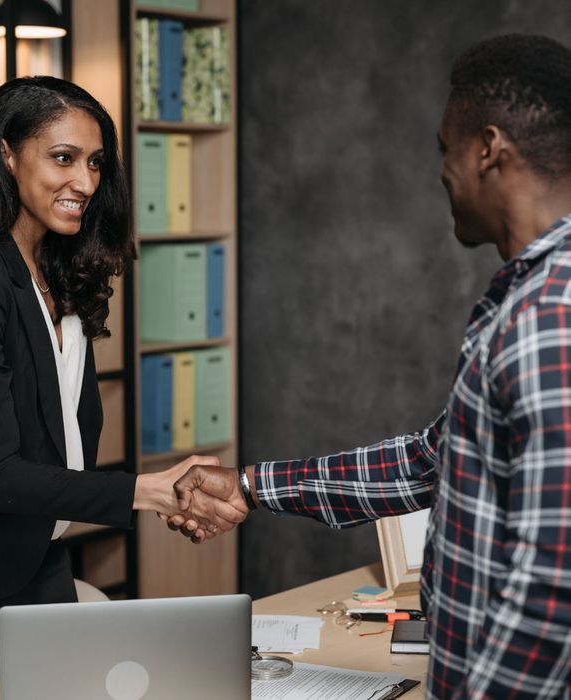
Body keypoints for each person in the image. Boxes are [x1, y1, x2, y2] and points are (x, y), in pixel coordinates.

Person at [171, 34, 571, 699]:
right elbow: (430, 461)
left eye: (445, 149)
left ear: (489, 148)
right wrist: (247, 485)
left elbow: (553, 587)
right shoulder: (527, 302)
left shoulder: (547, 320)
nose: (442, 171)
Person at [0, 76, 240, 700]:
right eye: (62, 158)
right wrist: (149, 492)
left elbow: (59, 434)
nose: (86, 183)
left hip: (33, 552)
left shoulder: (52, 268)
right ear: (7, 154)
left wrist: (156, 498)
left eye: (95, 163)